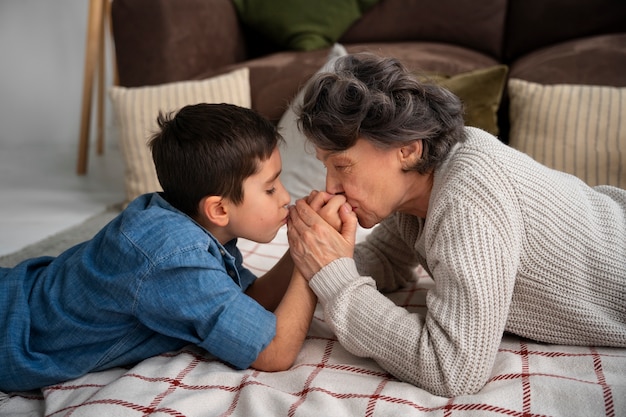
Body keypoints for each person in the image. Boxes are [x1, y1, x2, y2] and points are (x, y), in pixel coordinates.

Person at [286, 53, 626, 397]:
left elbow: (452, 369)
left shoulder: (467, 195)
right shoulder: (416, 191)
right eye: (326, 167)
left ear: (407, 150)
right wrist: (318, 256)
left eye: (342, 166)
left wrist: (336, 278)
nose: (330, 187)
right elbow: (388, 260)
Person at [0, 103, 317, 392]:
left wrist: (303, 244)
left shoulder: (184, 219)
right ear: (218, 210)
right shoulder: (177, 258)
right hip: (12, 334)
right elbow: (273, 352)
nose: (285, 196)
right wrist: (313, 261)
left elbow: (246, 303)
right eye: (271, 187)